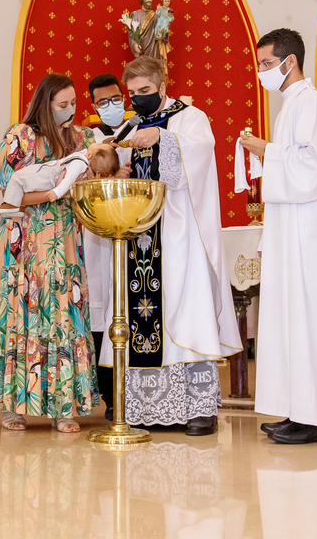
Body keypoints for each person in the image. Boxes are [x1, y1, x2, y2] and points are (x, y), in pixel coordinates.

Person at [98, 56, 242, 436]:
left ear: (163, 87)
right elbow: (124, 168)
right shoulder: (132, 124)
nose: (139, 98)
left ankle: (198, 408)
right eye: (133, 93)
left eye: (145, 91)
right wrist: (120, 167)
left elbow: (200, 156)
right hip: (139, 234)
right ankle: (144, 409)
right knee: (139, 313)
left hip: (179, 233)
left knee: (185, 312)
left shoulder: (190, 117)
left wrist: (162, 137)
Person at [239, 29, 317, 444]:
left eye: (265, 64)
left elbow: (312, 168)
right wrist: (268, 154)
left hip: (309, 235)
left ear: (288, 62)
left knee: (312, 318)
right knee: (294, 319)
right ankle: (300, 410)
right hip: (291, 230)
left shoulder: (311, 103)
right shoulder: (291, 105)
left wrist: (265, 149)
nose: (261, 72)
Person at [0, 73, 99, 433]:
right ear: (44, 104)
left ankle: (65, 407)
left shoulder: (83, 138)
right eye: (62, 105)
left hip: (62, 237)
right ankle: (13, 406)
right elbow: (7, 191)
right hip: (21, 239)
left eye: (73, 103)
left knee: (62, 312)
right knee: (19, 312)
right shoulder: (20, 136)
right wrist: (53, 193)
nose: (69, 110)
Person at [82, 73, 131, 419]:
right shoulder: (86, 142)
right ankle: (110, 397)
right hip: (93, 239)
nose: (111, 106)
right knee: (98, 315)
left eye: (115, 98)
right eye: (103, 102)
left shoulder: (138, 134)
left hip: (130, 237)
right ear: (94, 106)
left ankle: (132, 394)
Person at [0, 142, 119, 210]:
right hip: (51, 174)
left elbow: (68, 180)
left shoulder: (80, 163)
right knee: (19, 178)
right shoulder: (85, 161)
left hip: (51, 177)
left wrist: (57, 192)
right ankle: (9, 205)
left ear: (90, 155)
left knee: (19, 178)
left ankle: (9, 206)